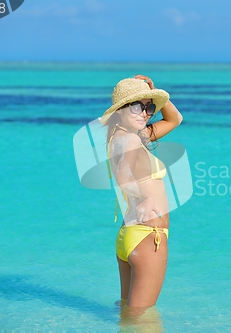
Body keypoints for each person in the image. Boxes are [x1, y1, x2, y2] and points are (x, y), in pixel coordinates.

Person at [100, 75, 183, 308]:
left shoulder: (126, 136)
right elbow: (123, 177)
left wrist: (155, 93)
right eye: (137, 105)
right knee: (142, 319)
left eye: (148, 107)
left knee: (128, 313)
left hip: (130, 234)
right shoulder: (131, 140)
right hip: (148, 237)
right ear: (119, 110)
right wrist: (147, 196)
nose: (144, 113)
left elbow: (175, 119)